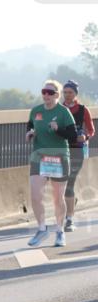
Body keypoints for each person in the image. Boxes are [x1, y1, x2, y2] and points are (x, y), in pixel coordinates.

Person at [25, 79, 78, 247]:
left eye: (50, 93)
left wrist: (58, 129)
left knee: (57, 198)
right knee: (35, 195)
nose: (45, 95)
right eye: (43, 92)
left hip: (59, 157)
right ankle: (41, 229)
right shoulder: (36, 111)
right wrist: (30, 134)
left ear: (57, 95)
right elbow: (30, 126)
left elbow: (72, 136)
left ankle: (60, 231)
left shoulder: (63, 113)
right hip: (39, 156)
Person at [61, 80, 94, 232]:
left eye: (70, 93)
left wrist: (85, 137)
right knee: (59, 184)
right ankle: (70, 204)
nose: (67, 95)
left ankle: (69, 220)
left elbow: (91, 130)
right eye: (65, 92)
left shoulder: (82, 110)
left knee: (70, 182)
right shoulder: (58, 109)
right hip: (59, 150)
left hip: (76, 150)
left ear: (76, 94)